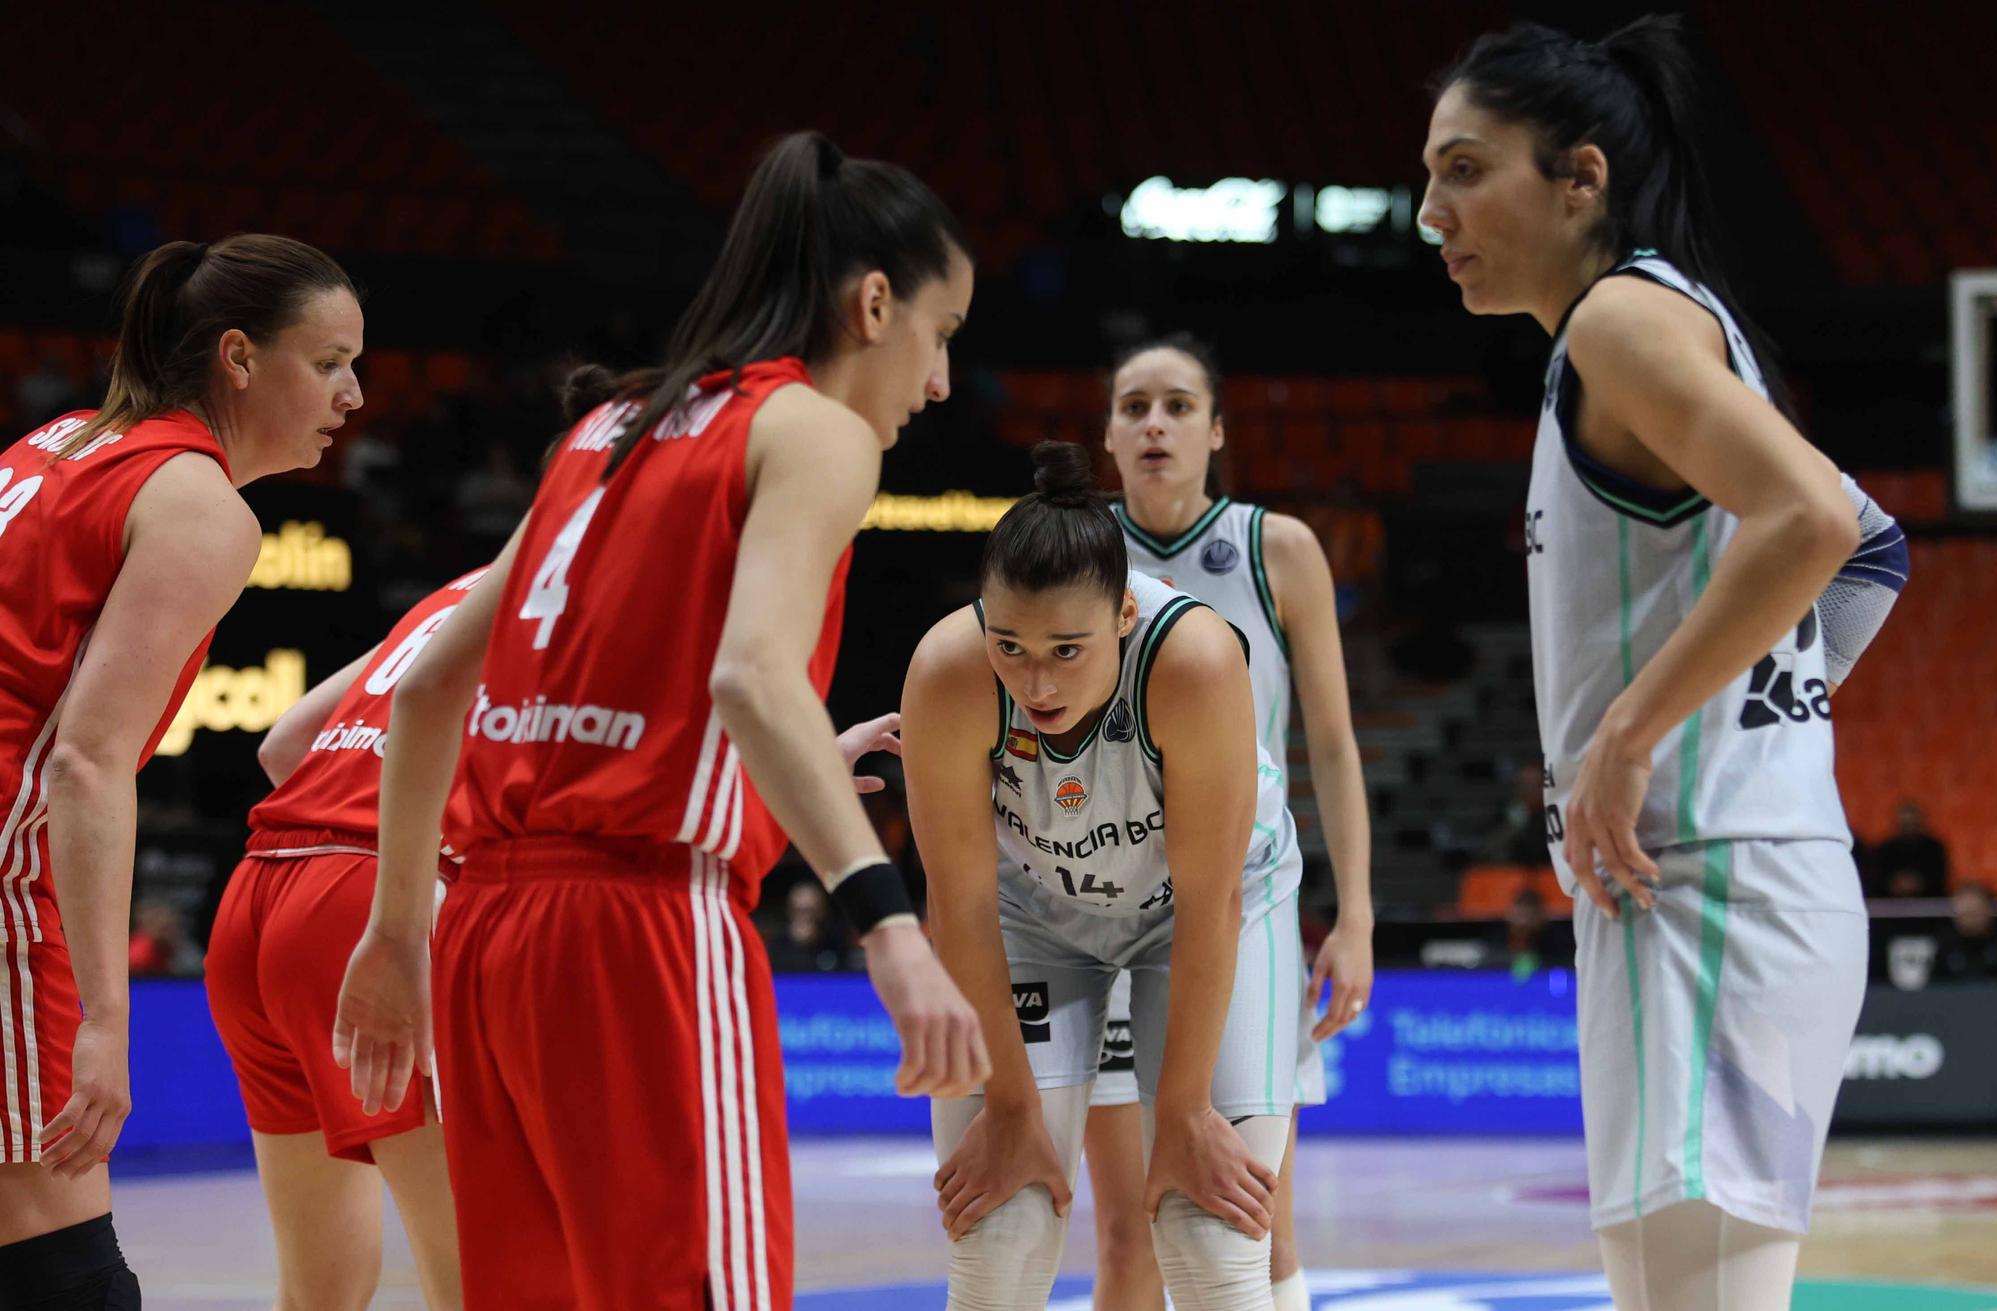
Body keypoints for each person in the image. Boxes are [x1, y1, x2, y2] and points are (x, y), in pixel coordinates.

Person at [331, 131, 987, 1310]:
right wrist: (889, 927)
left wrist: (391, 933)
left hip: (481, 932)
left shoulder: (607, 428)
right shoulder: (815, 431)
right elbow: (750, 676)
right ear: (875, 304)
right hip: (643, 930)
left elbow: (430, 683)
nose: (938, 382)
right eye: (941, 336)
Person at [1422, 17, 1878, 1308]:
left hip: (1712, 882)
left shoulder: (1623, 319)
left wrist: (1634, 735)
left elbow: (1819, 522)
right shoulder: (1643, 326)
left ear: (1581, 178)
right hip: (1703, 880)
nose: (1428, 209)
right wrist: (1757, 710)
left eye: (1464, 169)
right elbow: (1874, 553)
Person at [0, 234, 360, 1306]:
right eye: (330, 361)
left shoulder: (58, 440)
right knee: (62, 1266)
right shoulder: (199, 506)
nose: (352, 393)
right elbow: (88, 759)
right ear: (240, 359)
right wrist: (109, 1018)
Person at [904, 440, 1304, 1310]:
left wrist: (1188, 1111)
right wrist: (1007, 1105)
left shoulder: (1194, 662)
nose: (1036, 680)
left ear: (1124, 615)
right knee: (1000, 1225)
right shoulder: (947, 671)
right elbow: (961, 904)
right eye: (1009, 644)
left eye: (1065, 650)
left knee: (1210, 1230)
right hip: (1032, 912)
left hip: (1200, 909)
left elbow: (1212, 901)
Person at [1087, 334, 1375, 1311]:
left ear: (1216, 430)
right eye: (1133, 407)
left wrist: (1356, 915)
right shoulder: (1071, 554)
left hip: (1247, 898)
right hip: (1107, 905)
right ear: (1108, 435)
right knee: (1128, 1232)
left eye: (1176, 406)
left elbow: (1331, 745)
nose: (1154, 424)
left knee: (1256, 1211)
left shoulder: (1275, 548)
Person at [206, 570, 486, 1311]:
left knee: (318, 1288)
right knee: (476, 1273)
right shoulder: (582, 582)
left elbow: (283, 744)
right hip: (366, 902)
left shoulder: (447, 595)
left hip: (256, 893)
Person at [1868, 800, 1949, 899]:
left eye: (1912, 823)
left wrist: (1918, 884)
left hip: (1928, 903)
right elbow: (1877, 877)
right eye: (1905, 824)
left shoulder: (1934, 848)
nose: (1908, 828)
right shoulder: (1885, 849)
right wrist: (1895, 884)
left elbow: (1939, 877)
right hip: (1891, 904)